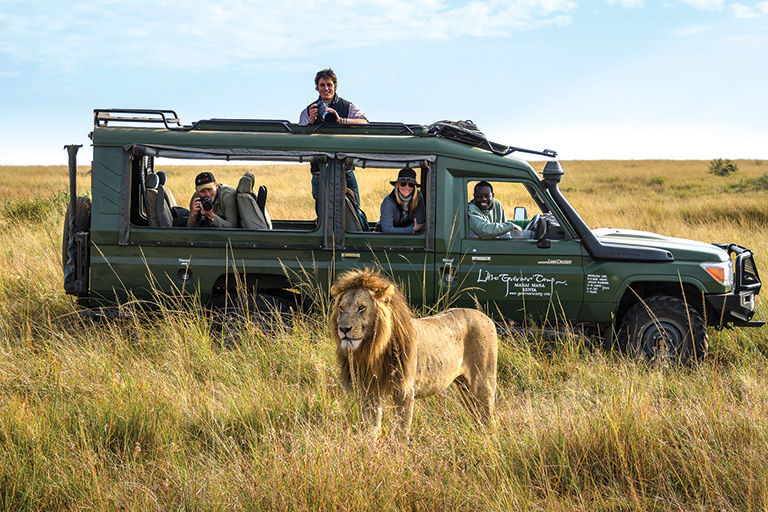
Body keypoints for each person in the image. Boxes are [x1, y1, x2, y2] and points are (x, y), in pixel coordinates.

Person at [299, 68, 367, 204]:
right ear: (317, 88)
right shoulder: (309, 110)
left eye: (329, 84)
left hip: (345, 169)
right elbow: (299, 138)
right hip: (319, 171)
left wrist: (341, 120)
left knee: (356, 209)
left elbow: (364, 122)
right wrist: (310, 122)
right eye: (322, 85)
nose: (326, 88)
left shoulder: (347, 106)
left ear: (335, 86)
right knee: (322, 212)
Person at [379, 167, 425, 234]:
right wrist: (412, 229)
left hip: (409, 237)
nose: (407, 187)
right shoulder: (388, 202)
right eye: (403, 184)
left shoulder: (418, 197)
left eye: (411, 185)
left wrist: (414, 228)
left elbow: (420, 223)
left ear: (414, 187)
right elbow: (387, 230)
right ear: (397, 185)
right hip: (388, 238)